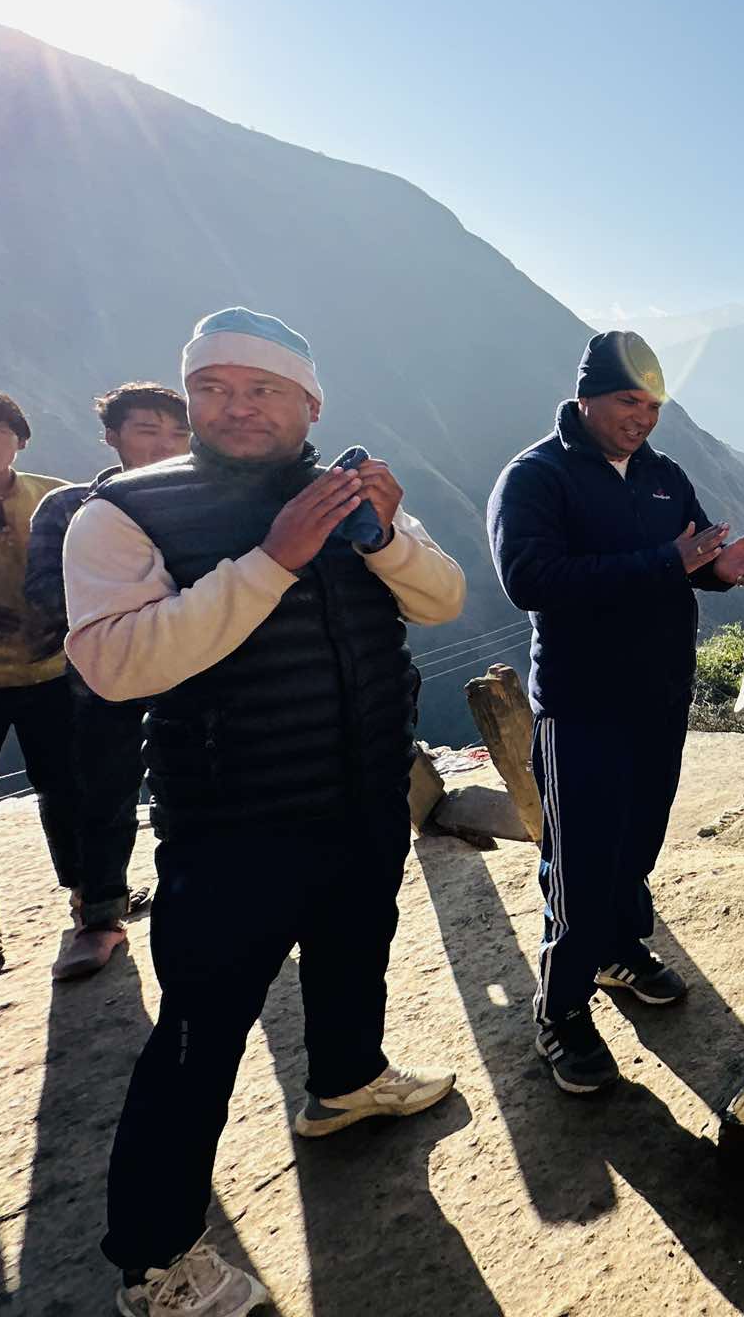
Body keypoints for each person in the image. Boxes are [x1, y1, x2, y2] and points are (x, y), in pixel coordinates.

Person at [62, 308, 467, 1316]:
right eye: (215, 389)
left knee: (353, 952)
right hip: (231, 819)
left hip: (364, 794)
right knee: (199, 1039)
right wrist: (274, 560)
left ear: (310, 404)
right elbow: (114, 665)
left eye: (264, 389)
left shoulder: (352, 490)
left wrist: (382, 538)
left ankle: (344, 1084)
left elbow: (445, 599)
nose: (237, 408)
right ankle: (155, 1266)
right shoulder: (127, 512)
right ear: (188, 396)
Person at [488, 330, 744, 1096]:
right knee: (579, 866)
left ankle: (620, 950)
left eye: (653, 404)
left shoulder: (663, 475)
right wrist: (670, 563)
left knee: (636, 844)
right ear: (587, 396)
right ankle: (561, 1010)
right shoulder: (537, 477)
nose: (642, 418)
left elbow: (693, 558)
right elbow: (530, 578)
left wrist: (721, 570)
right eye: (628, 401)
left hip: (660, 697)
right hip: (582, 706)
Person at [24, 382, 192, 979]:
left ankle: (208, 901)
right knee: (103, 795)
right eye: (148, 430)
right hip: (106, 677)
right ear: (113, 436)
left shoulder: (207, 500)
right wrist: (145, 615)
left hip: (195, 673)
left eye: (179, 433)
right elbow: (45, 591)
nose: (166, 445)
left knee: (203, 787)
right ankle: (99, 919)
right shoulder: (70, 508)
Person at [0, 383, 77, 970]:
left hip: (54, 666)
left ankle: (88, 894)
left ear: (20, 440)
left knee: (68, 786)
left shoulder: (54, 499)